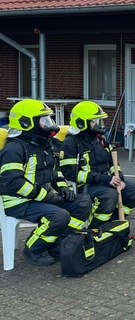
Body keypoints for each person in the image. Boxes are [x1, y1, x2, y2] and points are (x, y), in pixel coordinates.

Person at [0, 99, 92, 266]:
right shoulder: (14, 148)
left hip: (40, 197)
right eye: (43, 120)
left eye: (48, 119)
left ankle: (56, 243)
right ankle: (33, 248)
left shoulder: (43, 145)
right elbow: (14, 183)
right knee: (59, 215)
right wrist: (47, 197)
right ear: (27, 123)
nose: (49, 124)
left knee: (83, 202)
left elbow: (54, 172)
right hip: (18, 201)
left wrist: (63, 189)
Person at [59, 101, 135, 227]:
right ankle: (96, 226)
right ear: (82, 123)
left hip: (105, 181)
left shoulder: (101, 140)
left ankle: (113, 221)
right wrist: (104, 179)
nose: (99, 124)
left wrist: (119, 178)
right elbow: (71, 173)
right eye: (95, 121)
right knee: (109, 195)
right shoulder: (71, 143)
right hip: (86, 186)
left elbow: (113, 164)